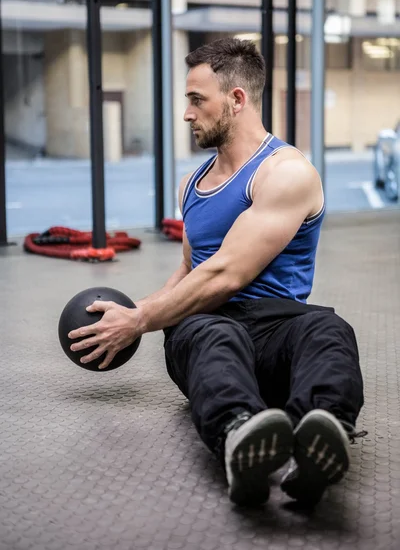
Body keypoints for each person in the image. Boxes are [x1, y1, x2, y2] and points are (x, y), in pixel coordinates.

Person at [68, 38, 365, 508]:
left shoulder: (286, 172)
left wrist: (140, 318)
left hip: (277, 327)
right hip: (208, 332)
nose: (187, 114)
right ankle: (240, 437)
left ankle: (322, 434)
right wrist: (127, 317)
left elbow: (227, 273)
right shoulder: (193, 185)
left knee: (328, 329)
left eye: (196, 100)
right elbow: (190, 270)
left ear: (237, 100)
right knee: (210, 334)